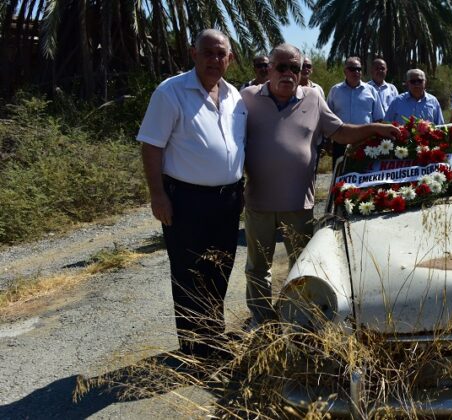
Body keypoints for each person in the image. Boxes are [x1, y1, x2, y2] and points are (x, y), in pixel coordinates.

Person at [241, 44, 400, 324]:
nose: (289, 73)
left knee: (302, 266)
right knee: (257, 268)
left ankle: (299, 319)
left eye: (295, 68)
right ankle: (262, 321)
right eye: (282, 67)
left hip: (298, 203)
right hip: (258, 202)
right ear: (269, 69)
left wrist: (374, 128)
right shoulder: (248, 98)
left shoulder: (313, 98)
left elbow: (339, 132)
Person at [137, 29, 246, 360]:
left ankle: (212, 339)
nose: (215, 59)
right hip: (185, 200)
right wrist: (158, 195)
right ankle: (192, 350)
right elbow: (151, 146)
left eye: (221, 54)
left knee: (219, 269)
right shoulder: (171, 92)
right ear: (193, 54)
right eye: (208, 52)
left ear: (230, 58)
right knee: (188, 273)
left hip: (227, 200)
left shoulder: (235, 97)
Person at [327, 57, 385, 165]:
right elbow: (327, 117)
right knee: (340, 176)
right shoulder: (335, 90)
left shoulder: (371, 90)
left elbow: (379, 118)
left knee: (363, 176)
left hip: (365, 141)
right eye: (352, 69)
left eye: (359, 69)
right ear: (345, 71)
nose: (356, 72)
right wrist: (328, 141)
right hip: (340, 141)